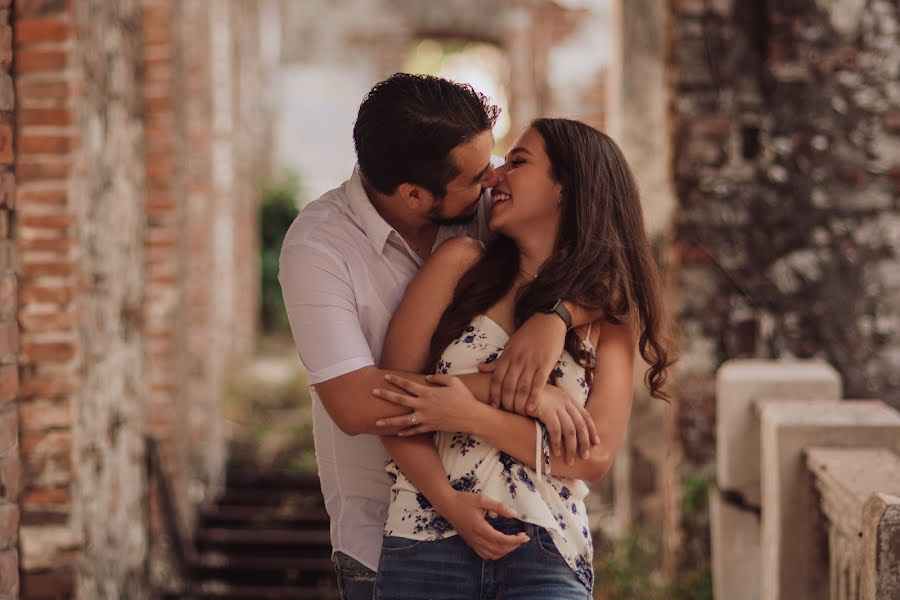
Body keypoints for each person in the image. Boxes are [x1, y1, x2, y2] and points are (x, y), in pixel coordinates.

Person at [279, 75, 604, 600]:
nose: (495, 175)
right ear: (414, 195)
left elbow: (612, 266)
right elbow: (356, 404)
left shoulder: (486, 213)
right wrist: (524, 390)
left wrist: (558, 316)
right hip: (387, 535)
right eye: (479, 174)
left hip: (527, 530)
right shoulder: (318, 249)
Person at [370, 118, 673, 599]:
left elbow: (590, 458)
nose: (495, 176)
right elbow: (389, 401)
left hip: (547, 553)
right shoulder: (458, 265)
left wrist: (473, 412)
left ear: (564, 188)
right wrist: (536, 401)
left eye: (518, 162)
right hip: (427, 538)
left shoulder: (608, 319)